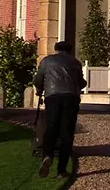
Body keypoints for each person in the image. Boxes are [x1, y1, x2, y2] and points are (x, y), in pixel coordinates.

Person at [32, 40, 87, 179]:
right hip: (71, 98)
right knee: (66, 133)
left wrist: (41, 88)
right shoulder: (75, 62)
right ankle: (61, 170)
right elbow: (81, 83)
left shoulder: (47, 61)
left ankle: (47, 156)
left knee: (51, 128)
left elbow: (38, 80)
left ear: (56, 49)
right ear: (69, 50)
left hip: (53, 97)